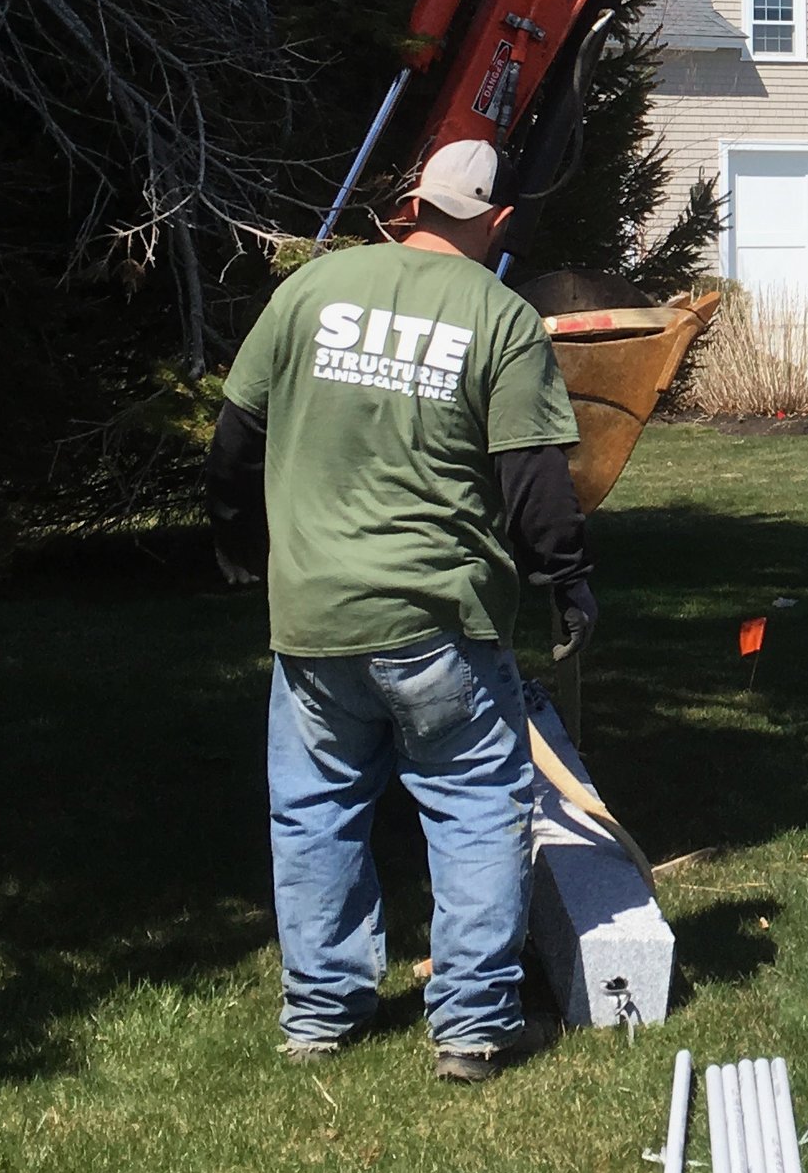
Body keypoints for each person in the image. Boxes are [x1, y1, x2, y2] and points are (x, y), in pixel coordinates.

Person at [206, 138, 597, 1082]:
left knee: (314, 811)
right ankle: (470, 1026)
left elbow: (237, 431)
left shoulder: (313, 289)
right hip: (441, 623)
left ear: (413, 204)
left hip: (313, 618)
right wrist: (567, 581)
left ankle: (321, 1015)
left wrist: (233, 539)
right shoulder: (500, 318)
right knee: (470, 812)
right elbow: (534, 479)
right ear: (497, 221)